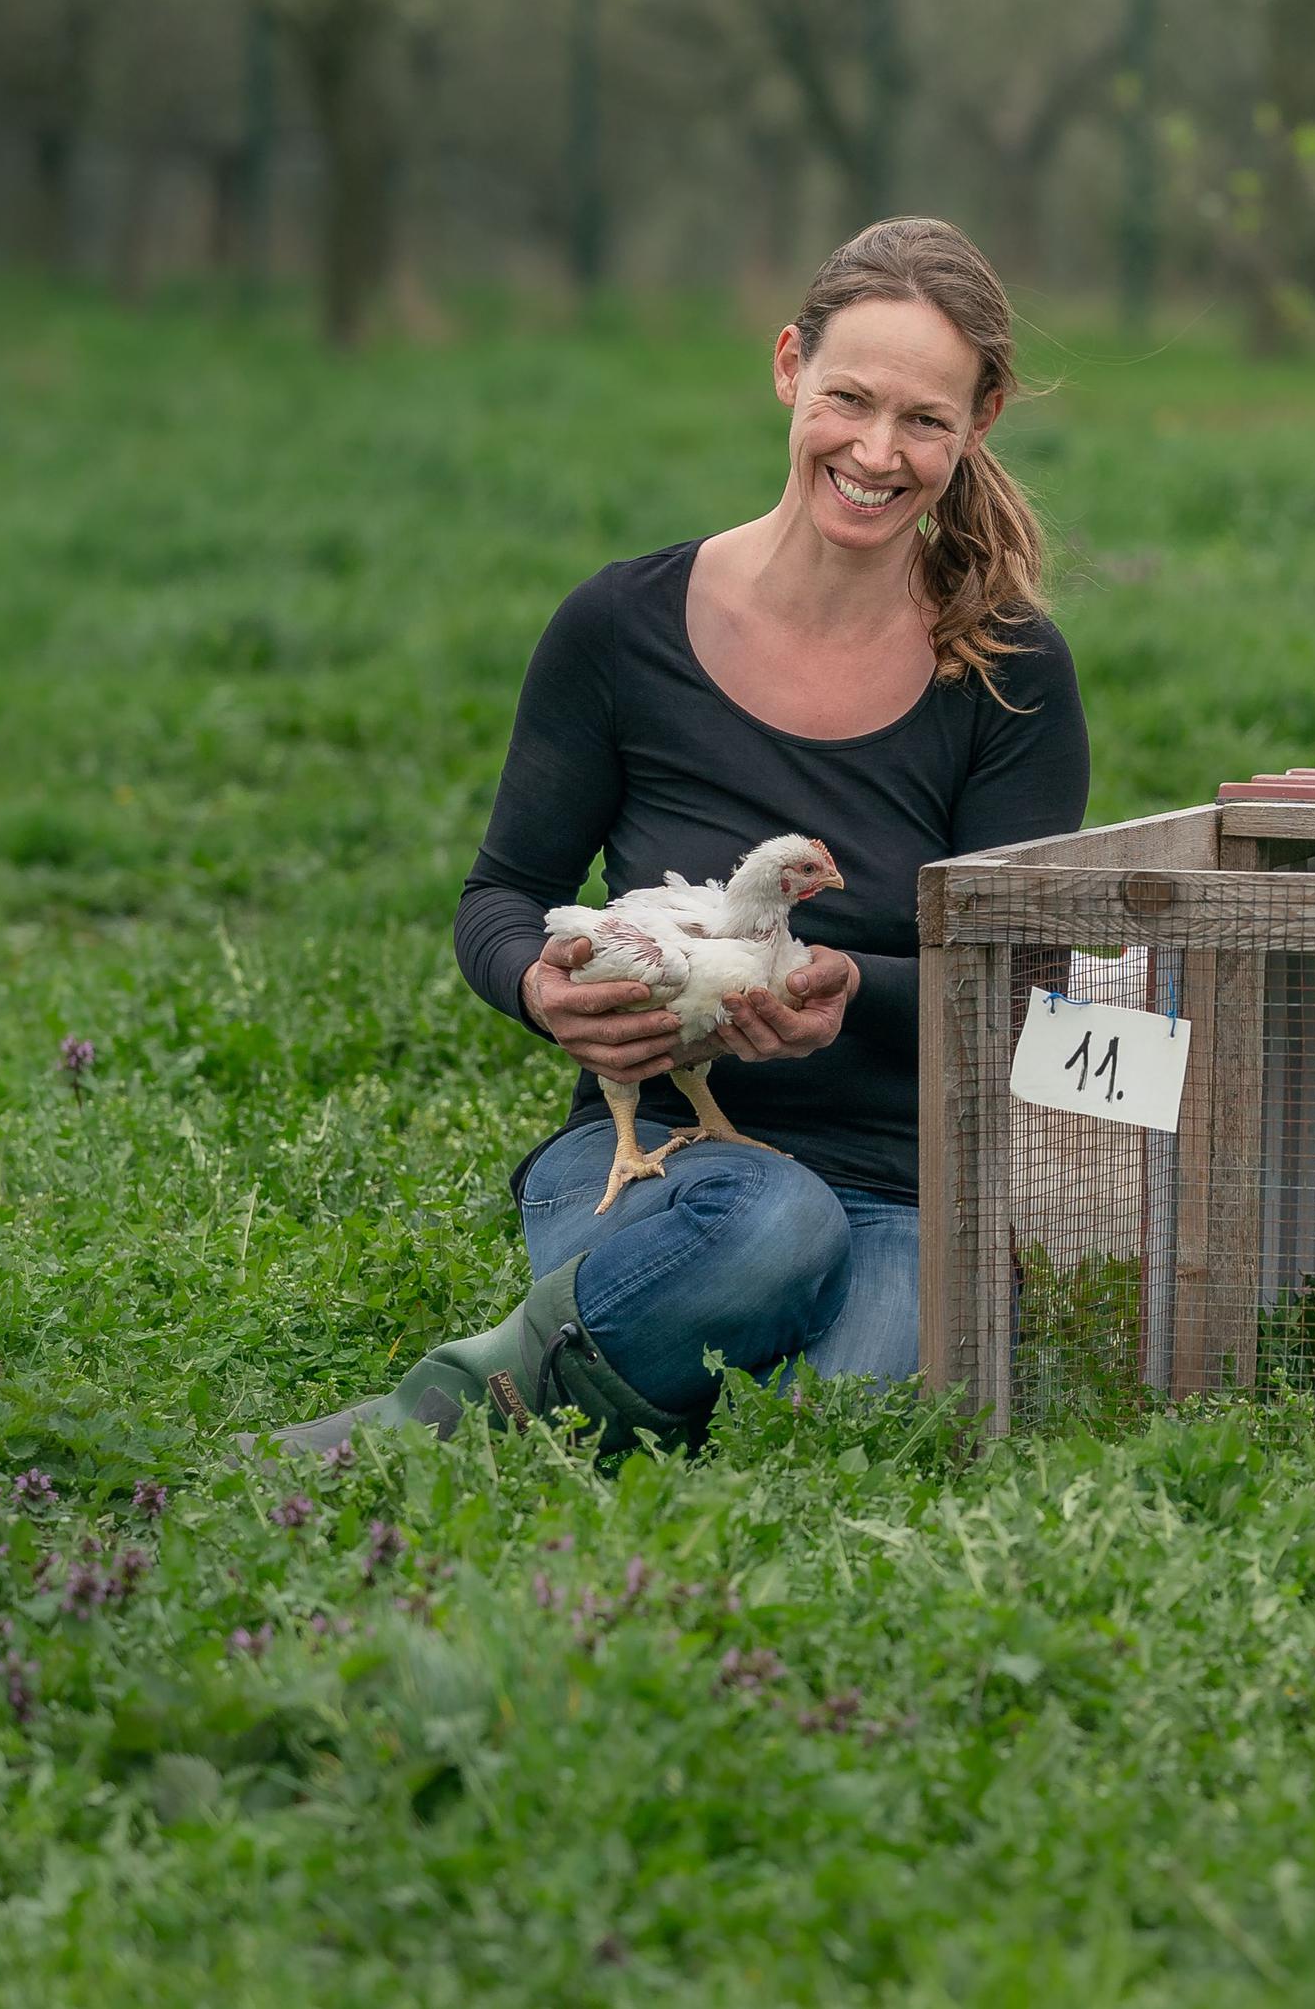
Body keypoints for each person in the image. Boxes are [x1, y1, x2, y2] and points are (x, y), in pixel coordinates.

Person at [281, 220, 1087, 1453]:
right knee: (773, 1224)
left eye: (925, 419)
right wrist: (539, 988)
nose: (876, 452)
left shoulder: (1011, 672)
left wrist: (850, 988)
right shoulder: (620, 629)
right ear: (786, 369)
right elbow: (501, 894)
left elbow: (1034, 982)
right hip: (651, 1155)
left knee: (853, 1421)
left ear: (976, 426)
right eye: (848, 399)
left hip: (898, 1181)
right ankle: (443, 1412)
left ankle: (562, 1393)